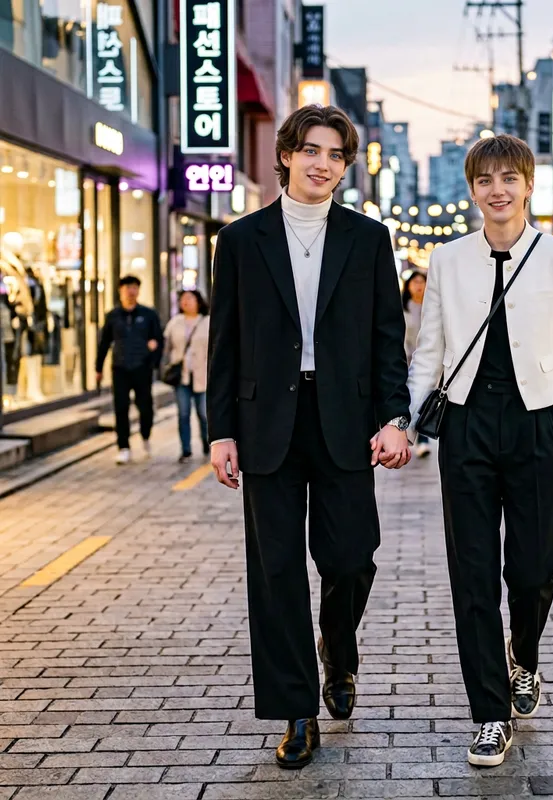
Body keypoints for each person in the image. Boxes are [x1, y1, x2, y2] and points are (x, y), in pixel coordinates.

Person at [207, 104, 411, 770]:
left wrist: (393, 416)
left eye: (337, 155)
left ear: (346, 166)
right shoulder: (241, 240)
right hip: (266, 420)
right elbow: (226, 344)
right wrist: (220, 432)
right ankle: (296, 710)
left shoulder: (367, 238)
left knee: (351, 556)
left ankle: (338, 649)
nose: (324, 164)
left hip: (345, 419)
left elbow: (388, 338)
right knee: (276, 572)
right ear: (287, 154)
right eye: (312, 150)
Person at [407, 134, 553, 768]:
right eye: (485, 179)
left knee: (536, 566)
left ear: (529, 185)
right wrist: (410, 422)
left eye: (509, 177)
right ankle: (489, 713)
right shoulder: (449, 260)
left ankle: (526, 657)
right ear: (471, 189)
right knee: (473, 574)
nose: (498, 189)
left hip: (537, 422)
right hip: (466, 426)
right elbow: (428, 349)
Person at [96, 275, 163, 465]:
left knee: (145, 407)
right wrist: (98, 367)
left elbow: (158, 339)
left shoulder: (149, 314)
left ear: (138, 290)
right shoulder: (113, 315)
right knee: (121, 408)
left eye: (134, 287)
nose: (130, 291)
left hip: (142, 367)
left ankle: (145, 435)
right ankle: (123, 447)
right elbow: (104, 342)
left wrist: (154, 359)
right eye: (127, 288)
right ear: (120, 290)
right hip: (120, 367)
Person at [163, 290, 211, 463]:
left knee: (204, 414)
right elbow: (165, 346)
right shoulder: (175, 322)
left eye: (189, 299)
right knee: (183, 414)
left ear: (198, 301)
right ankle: (186, 450)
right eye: (183, 299)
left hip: (202, 375)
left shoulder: (207, 322)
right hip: (181, 377)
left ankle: (207, 443)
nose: (186, 302)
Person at [402, 270, 431, 458]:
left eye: (422, 282)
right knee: (411, 400)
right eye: (415, 282)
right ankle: (406, 435)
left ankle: (423, 439)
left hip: (428, 362)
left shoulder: (432, 306)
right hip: (407, 361)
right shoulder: (403, 308)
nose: (419, 285)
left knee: (427, 402)